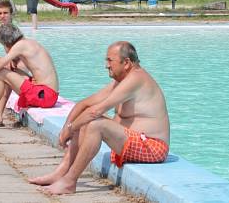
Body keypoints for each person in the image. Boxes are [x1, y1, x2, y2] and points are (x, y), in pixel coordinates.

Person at [29, 41, 170, 195]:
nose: (106, 65)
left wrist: (71, 128)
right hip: (135, 141)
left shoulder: (136, 79)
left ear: (127, 63)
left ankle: (69, 181)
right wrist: (66, 128)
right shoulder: (121, 81)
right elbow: (85, 104)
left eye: (110, 60)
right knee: (84, 120)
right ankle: (60, 173)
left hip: (152, 147)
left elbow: (97, 111)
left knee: (96, 124)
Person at [0, 23, 59, 129]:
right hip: (48, 94)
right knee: (9, 72)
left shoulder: (20, 45)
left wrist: (6, 59)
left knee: (1, 75)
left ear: (7, 43)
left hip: (44, 95)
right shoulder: (29, 42)